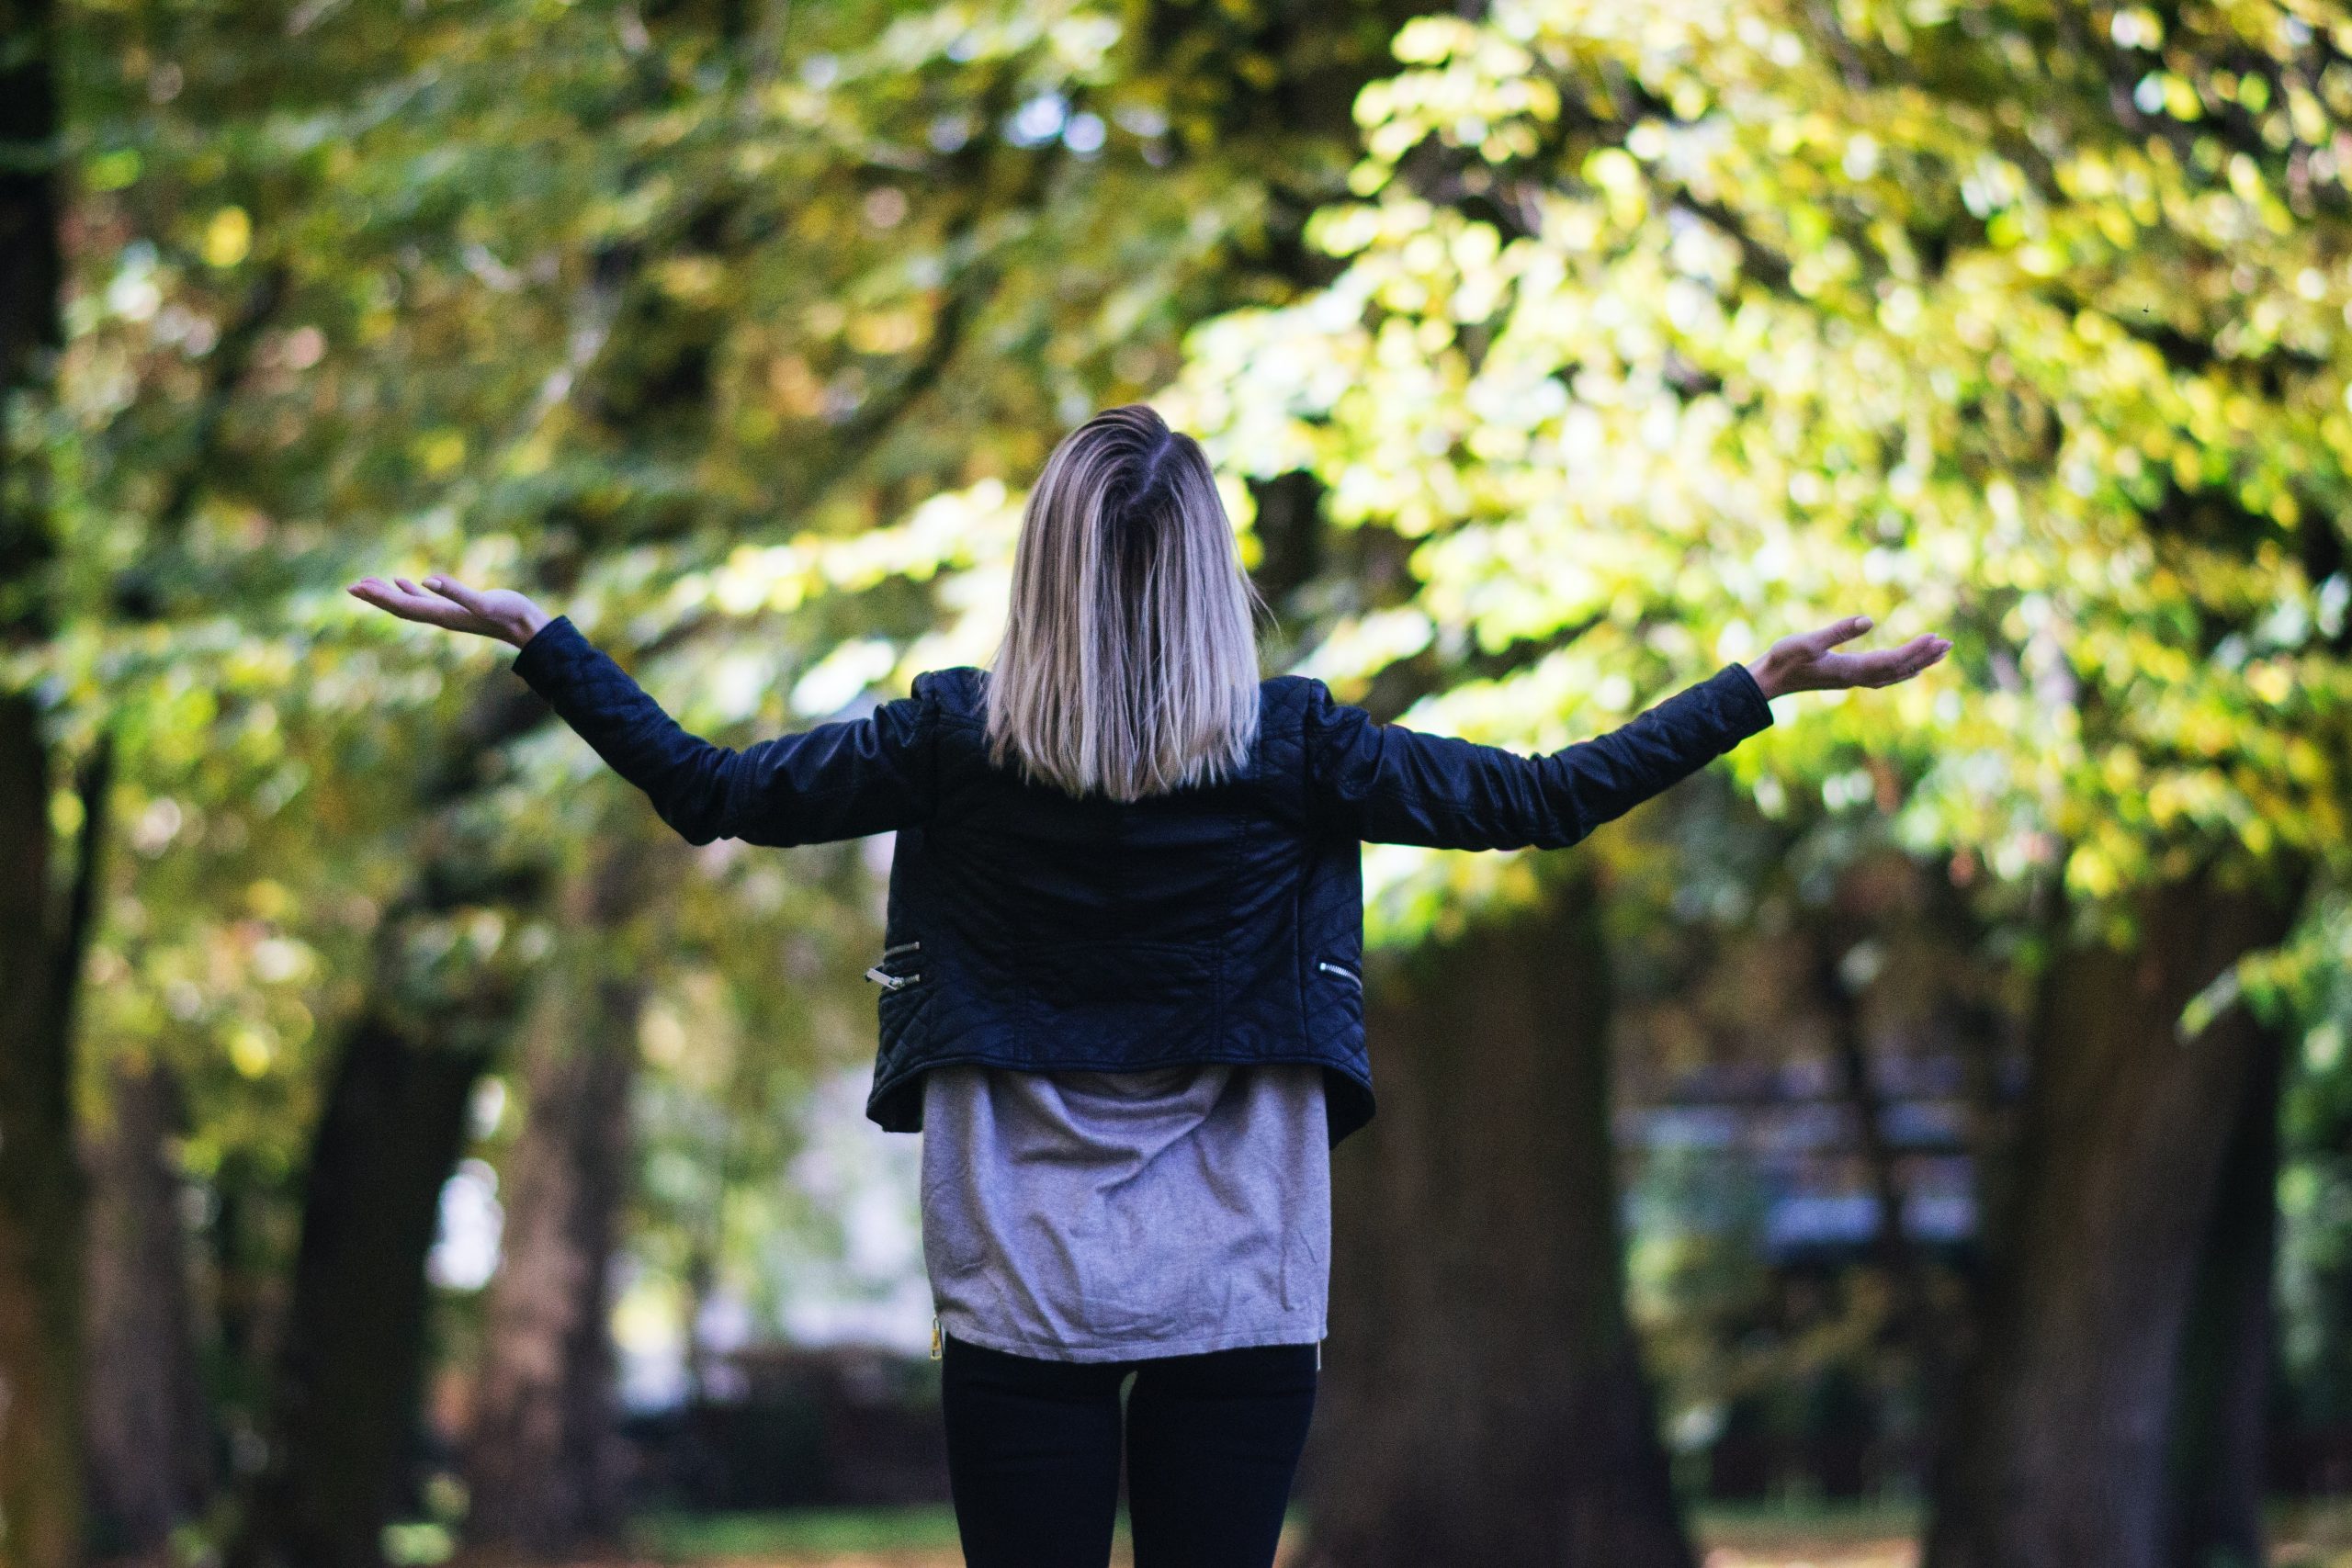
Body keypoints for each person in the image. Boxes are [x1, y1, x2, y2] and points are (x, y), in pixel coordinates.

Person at [350, 403, 1949, 1568]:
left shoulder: (952, 739)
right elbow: (1541, 799)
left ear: (1043, 566)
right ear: (1208, 574)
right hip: (1241, 1246)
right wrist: (1752, 688)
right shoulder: (1296, 744)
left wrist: (544, 641)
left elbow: (712, 789)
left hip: (1017, 1245)